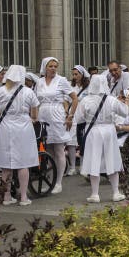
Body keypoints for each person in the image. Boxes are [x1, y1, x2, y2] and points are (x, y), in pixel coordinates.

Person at [74, 74, 129, 203]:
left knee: (94, 160)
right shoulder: (111, 99)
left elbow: (79, 118)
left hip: (93, 131)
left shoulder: (86, 100)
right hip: (109, 130)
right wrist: (127, 100)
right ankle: (116, 192)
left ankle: (95, 194)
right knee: (112, 159)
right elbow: (125, 112)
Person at [0, 65, 40, 206]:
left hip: (5, 127)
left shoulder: (0, 91)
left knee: (6, 163)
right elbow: (35, 115)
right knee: (23, 163)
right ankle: (23, 197)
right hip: (24, 127)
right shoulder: (28, 92)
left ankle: (6, 196)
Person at [36, 57, 78, 194]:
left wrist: (70, 116)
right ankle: (50, 180)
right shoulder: (39, 82)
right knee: (47, 150)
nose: (53, 68)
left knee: (59, 149)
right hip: (43, 115)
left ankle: (59, 182)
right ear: (45, 67)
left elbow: (74, 98)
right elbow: (35, 101)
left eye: (55, 66)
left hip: (57, 115)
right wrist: (35, 117)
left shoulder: (62, 80)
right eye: (50, 66)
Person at [70, 65, 91, 171]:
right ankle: (73, 167)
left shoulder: (88, 87)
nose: (74, 76)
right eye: (73, 74)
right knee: (71, 142)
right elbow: (66, 100)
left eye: (76, 74)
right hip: (73, 115)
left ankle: (84, 166)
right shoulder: (71, 87)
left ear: (82, 75)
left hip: (84, 117)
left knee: (83, 141)